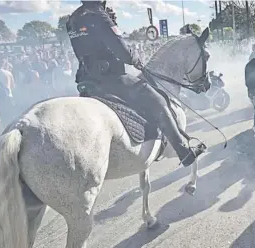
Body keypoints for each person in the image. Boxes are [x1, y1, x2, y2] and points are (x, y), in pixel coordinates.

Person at [66, 0, 205, 167]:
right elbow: (122, 50)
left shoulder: (72, 20)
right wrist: (135, 59)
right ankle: (184, 152)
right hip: (110, 78)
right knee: (159, 101)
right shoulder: (98, 15)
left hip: (86, 79)